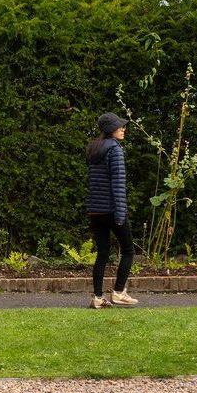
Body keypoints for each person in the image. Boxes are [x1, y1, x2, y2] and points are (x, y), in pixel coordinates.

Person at [85, 112, 138, 308]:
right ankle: (118, 292)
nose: (123, 129)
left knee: (103, 253)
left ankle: (98, 298)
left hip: (95, 210)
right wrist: (121, 213)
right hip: (111, 209)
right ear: (110, 130)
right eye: (119, 127)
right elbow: (118, 184)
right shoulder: (114, 150)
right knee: (128, 250)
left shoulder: (94, 149)